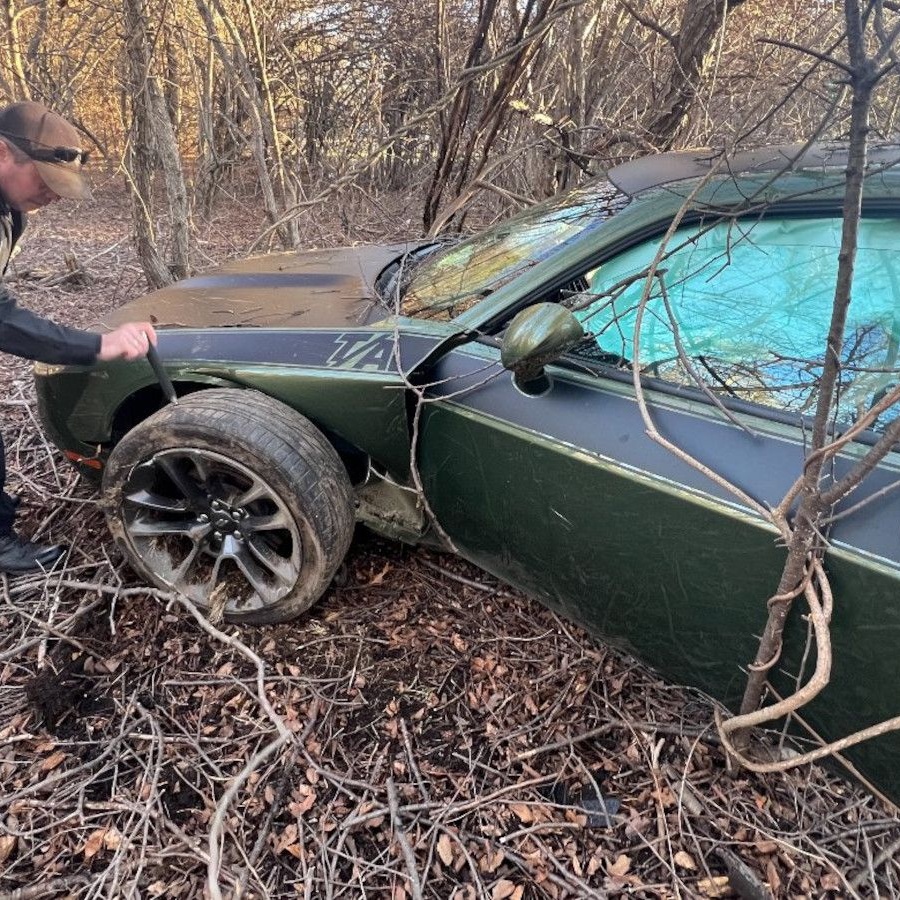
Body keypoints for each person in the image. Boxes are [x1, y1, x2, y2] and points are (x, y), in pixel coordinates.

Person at [0, 101, 157, 574]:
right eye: (45, 182)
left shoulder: (11, 211)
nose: (54, 196)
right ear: (4, 154)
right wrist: (95, 346)